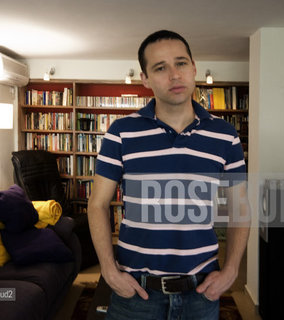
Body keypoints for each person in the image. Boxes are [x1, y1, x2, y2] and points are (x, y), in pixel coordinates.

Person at [88, 30, 251, 320]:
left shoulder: (225, 135)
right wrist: (108, 270)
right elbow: (98, 204)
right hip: (136, 293)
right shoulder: (121, 133)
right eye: (160, 68)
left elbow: (239, 207)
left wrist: (232, 269)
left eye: (181, 63)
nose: (174, 75)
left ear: (194, 68)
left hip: (201, 293)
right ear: (145, 79)